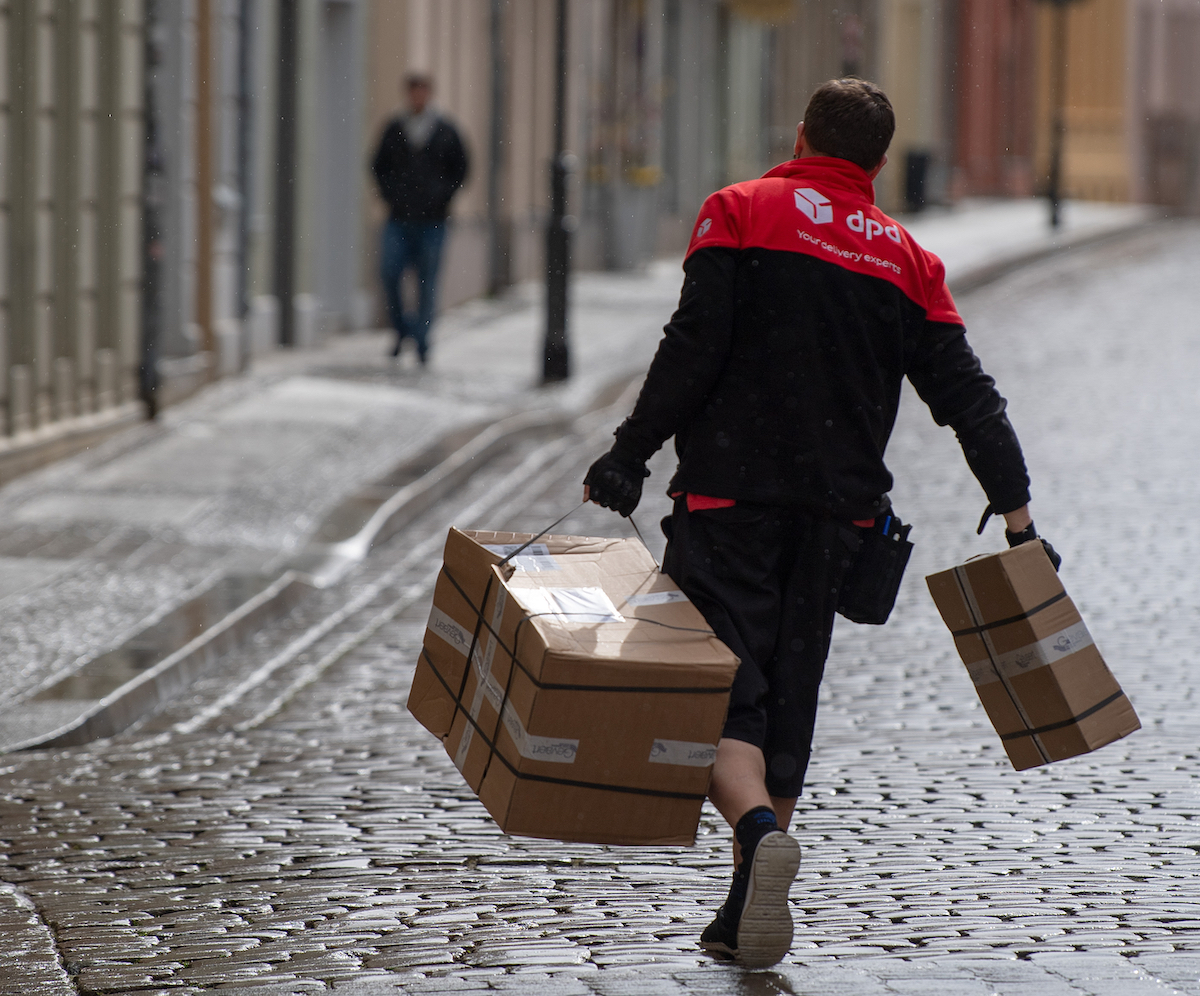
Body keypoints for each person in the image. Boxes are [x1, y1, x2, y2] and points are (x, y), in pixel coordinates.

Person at [582, 78, 1059, 969]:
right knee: (788, 704)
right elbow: (967, 398)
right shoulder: (908, 262)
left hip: (729, 504)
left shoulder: (741, 212)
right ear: (878, 162)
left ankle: (759, 832)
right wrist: (1020, 519)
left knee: (721, 694)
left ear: (800, 135)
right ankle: (741, 908)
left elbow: (694, 344)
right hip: (840, 522)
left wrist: (630, 451)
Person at [372, 73, 469, 366]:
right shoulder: (394, 128)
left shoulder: (445, 130)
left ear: (428, 94)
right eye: (413, 92)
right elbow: (378, 166)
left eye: (422, 92)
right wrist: (392, 195)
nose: (417, 98)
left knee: (428, 282)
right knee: (389, 273)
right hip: (399, 217)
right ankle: (403, 330)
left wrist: (442, 195)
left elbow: (462, 167)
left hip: (433, 220)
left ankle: (424, 341)